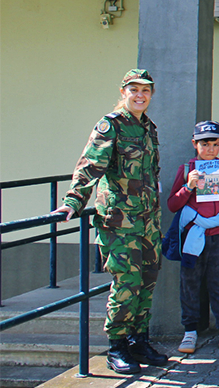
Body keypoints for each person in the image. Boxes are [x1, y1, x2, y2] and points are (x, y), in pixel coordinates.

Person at [56, 69, 167, 375]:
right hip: (120, 221)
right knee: (126, 282)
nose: (140, 95)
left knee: (147, 279)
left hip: (147, 219)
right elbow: (91, 164)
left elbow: (151, 173)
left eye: (145, 90)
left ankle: (138, 340)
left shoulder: (148, 127)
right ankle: (117, 346)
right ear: (123, 92)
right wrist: (73, 201)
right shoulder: (111, 125)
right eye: (134, 90)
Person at [168, 121, 219, 355]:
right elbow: (172, 205)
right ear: (195, 144)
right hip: (193, 238)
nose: (210, 149)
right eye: (205, 144)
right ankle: (190, 332)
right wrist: (188, 187)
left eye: (215, 144)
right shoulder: (187, 169)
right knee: (190, 284)